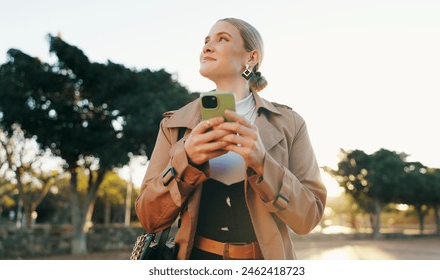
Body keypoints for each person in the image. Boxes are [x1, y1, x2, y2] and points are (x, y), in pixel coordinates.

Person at [135, 18, 327, 260]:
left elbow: (308, 219)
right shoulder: (173, 124)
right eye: (206, 41)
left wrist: (262, 162)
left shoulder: (291, 123)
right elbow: (149, 218)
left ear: (251, 57)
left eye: (222, 39)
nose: (207, 47)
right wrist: (187, 160)